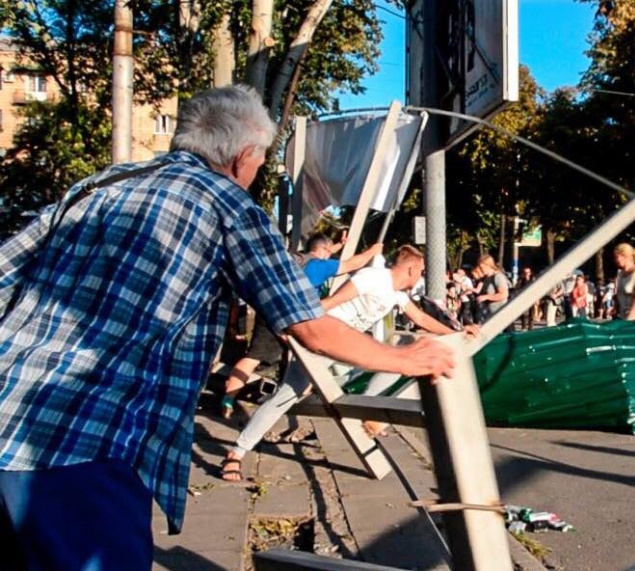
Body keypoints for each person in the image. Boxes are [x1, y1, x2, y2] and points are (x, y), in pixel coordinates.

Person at [0, 85, 453, 570]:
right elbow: (307, 324)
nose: (255, 176)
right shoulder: (229, 207)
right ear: (242, 157)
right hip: (83, 447)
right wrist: (408, 358)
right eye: (259, 165)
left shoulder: (98, 186)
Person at [221, 245, 478, 480]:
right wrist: (293, 329)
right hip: (324, 344)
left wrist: (457, 333)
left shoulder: (397, 296)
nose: (420, 277)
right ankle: (236, 453)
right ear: (410, 267)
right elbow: (328, 304)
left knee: (400, 360)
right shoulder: (372, 278)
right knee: (285, 397)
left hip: (347, 353)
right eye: (420, 271)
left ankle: (367, 411)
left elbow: (421, 319)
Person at [219, 234, 383, 418]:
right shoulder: (320, 266)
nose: (331, 256)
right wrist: (372, 251)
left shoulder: (297, 260)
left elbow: (322, 249)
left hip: (269, 310)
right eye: (329, 252)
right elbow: (352, 264)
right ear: (322, 251)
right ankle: (296, 401)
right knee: (311, 356)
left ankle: (228, 398)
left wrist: (337, 245)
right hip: (294, 318)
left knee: (254, 357)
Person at [613, 243, 635, 320]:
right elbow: (619, 294)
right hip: (623, 316)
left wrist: (630, 319)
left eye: (617, 257)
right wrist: (615, 307)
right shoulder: (620, 274)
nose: (615, 260)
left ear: (625, 256)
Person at [475, 254, 510, 323]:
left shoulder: (498, 277)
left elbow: (504, 294)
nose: (480, 269)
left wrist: (486, 297)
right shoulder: (485, 279)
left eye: (481, 267)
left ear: (488, 265)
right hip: (488, 315)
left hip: (499, 315)